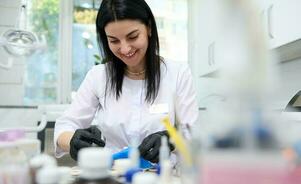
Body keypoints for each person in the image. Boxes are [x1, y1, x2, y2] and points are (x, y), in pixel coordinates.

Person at [54, 0, 199, 162]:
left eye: (133, 37)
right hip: (112, 177)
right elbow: (64, 126)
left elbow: (193, 134)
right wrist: (72, 141)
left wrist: (171, 140)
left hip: (162, 178)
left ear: (149, 28)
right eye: (114, 41)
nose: (125, 49)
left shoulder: (178, 73)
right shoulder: (99, 76)